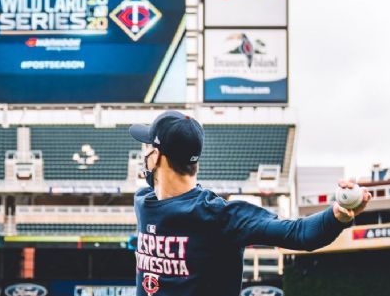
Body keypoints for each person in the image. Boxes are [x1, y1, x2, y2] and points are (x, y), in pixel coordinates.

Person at [129, 111, 372, 296]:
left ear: (158, 155)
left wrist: (338, 215)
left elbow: (299, 233)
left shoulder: (219, 216)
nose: (144, 154)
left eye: (148, 146)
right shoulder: (144, 201)